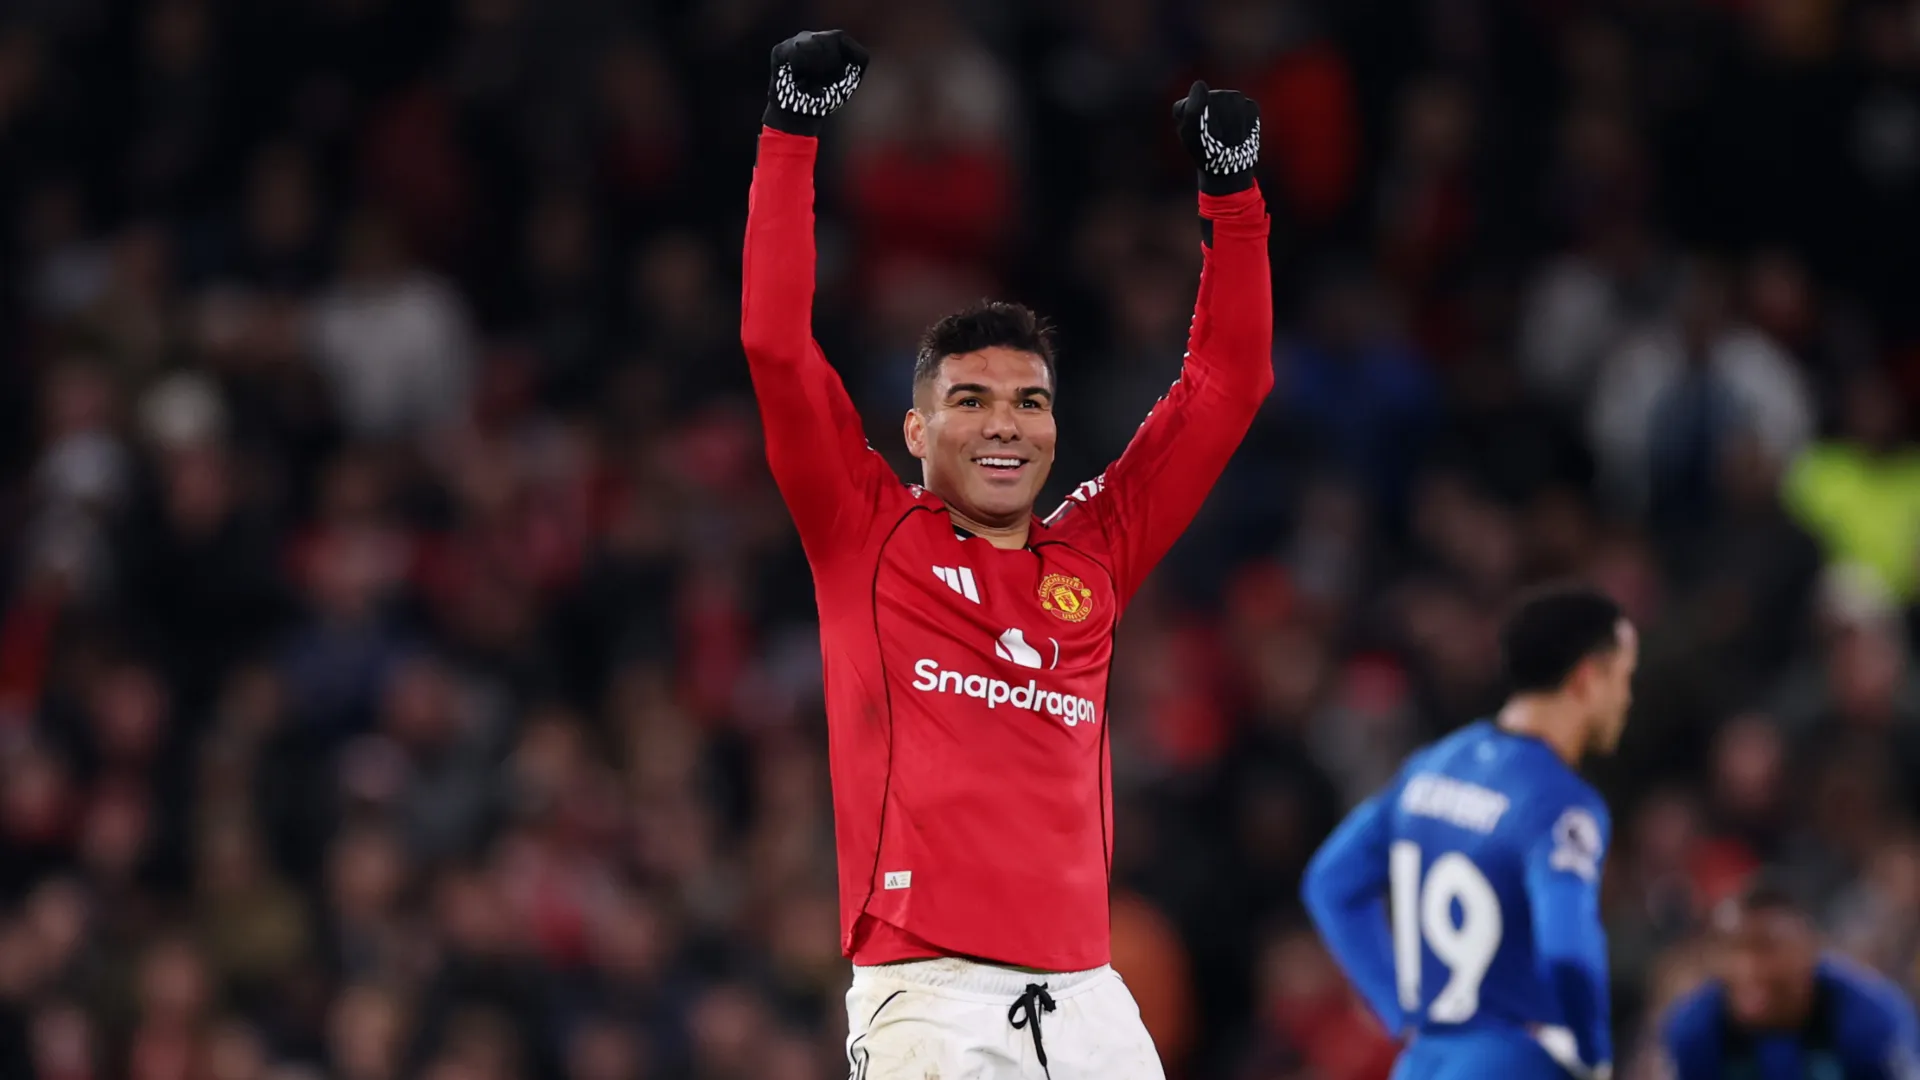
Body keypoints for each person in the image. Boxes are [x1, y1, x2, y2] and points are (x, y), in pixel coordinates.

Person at [739, 28, 1272, 1080]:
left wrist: (1235, 197)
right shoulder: (867, 535)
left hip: (1091, 1002)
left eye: (1029, 402)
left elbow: (1228, 386)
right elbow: (775, 344)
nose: (1004, 425)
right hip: (933, 1000)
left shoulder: (1096, 555)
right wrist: (791, 134)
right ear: (914, 432)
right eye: (969, 400)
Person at [1302, 585, 1637, 1080]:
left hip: (1424, 1063)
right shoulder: (1562, 804)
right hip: (1511, 1062)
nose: (1626, 699)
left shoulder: (1431, 767)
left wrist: (1399, 1011)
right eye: (1625, 678)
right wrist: (1593, 1052)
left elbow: (1330, 883)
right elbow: (1567, 948)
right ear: (1588, 678)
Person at [1657, 876, 1920, 1080]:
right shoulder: (1693, 1030)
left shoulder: (1872, 1020)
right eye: (1731, 948)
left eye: (1765, 948)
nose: (1747, 969)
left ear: (1809, 950)